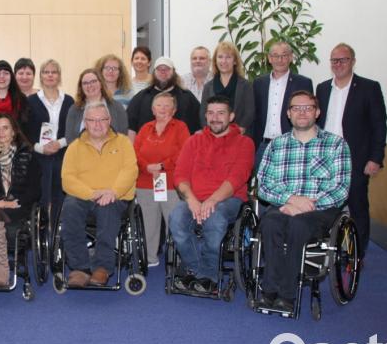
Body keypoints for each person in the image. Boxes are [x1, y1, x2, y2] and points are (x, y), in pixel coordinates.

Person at [256, 90, 351, 311]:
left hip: (320, 209)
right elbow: (264, 185)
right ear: (288, 114)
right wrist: (290, 199)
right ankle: (269, 289)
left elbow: (341, 188)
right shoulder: (276, 145)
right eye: (296, 108)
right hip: (285, 204)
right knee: (269, 223)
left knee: (298, 225)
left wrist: (310, 204)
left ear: (317, 112)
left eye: (307, 108)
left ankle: (287, 294)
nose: (302, 112)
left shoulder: (336, 145)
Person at [169, 95, 254, 294]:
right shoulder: (193, 141)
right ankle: (198, 269)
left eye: (221, 113)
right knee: (176, 219)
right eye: (211, 113)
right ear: (206, 116)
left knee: (214, 219)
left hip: (228, 200)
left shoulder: (244, 143)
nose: (215, 118)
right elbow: (180, 175)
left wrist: (212, 200)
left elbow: (237, 177)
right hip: (195, 198)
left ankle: (209, 275)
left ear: (231, 116)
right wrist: (191, 200)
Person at [316, 43, 386, 261]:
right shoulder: (322, 88)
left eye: (343, 60)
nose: (338, 64)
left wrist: (375, 158)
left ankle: (357, 254)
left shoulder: (369, 88)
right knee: (323, 202)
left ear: (352, 62)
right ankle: (326, 249)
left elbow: (379, 125)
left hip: (355, 157)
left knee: (357, 205)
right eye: (334, 60)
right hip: (325, 158)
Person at [60, 102, 138, 288]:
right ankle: (80, 268)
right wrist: (92, 193)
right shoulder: (75, 147)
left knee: (108, 207)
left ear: (109, 120)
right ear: (85, 122)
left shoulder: (123, 142)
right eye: (92, 120)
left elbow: (130, 171)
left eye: (102, 119)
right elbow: (67, 179)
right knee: (69, 206)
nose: (97, 124)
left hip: (115, 198)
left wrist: (113, 192)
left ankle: (102, 267)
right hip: (84, 198)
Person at [0, 114, 41, 287]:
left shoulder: (28, 154)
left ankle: (2, 271)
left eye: (5, 128)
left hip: (18, 207)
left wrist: (10, 202)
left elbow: (35, 190)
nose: (1, 132)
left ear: (13, 132)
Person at [132, 92, 190, 267]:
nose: (163, 109)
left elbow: (185, 152)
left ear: (174, 109)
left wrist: (162, 165)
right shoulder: (145, 128)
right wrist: (147, 166)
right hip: (145, 182)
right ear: (152, 109)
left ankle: (179, 259)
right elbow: (134, 152)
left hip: (171, 182)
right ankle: (149, 258)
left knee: (174, 222)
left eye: (167, 105)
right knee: (148, 223)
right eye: (159, 105)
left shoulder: (180, 127)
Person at [26, 59, 74, 226]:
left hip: (63, 155)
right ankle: (42, 235)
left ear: (59, 76)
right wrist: (40, 148)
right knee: (42, 199)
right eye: (46, 72)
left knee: (60, 198)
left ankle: (57, 237)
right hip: (38, 156)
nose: (50, 75)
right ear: (41, 76)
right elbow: (24, 132)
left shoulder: (69, 101)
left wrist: (59, 143)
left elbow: (74, 130)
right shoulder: (30, 101)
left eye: (54, 72)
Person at [252, 41, 313, 168]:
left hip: (291, 145)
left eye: (284, 55)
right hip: (263, 146)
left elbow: (309, 116)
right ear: (269, 58)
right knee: (263, 186)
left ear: (291, 57)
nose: (280, 59)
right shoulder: (258, 83)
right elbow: (255, 114)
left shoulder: (303, 83)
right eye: (275, 55)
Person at [126, 57, 201, 140]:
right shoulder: (141, 97)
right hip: (147, 150)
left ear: (174, 72)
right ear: (154, 72)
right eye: (159, 69)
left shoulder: (187, 97)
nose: (163, 71)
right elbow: (131, 129)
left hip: (180, 150)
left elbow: (198, 128)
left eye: (167, 69)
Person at [200, 41, 254, 134]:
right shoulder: (208, 86)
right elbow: (203, 113)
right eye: (220, 57)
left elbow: (250, 112)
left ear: (235, 61)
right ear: (215, 61)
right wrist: (211, 132)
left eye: (228, 57)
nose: (224, 61)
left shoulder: (245, 85)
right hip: (213, 135)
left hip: (239, 135)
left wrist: (239, 129)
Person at [64, 69, 129, 144]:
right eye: (85, 83)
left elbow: (123, 135)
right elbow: (70, 139)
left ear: (101, 83)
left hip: (112, 153)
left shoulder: (117, 107)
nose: (89, 85)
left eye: (93, 81)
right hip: (81, 154)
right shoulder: (74, 109)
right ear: (81, 88)